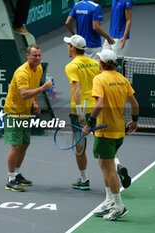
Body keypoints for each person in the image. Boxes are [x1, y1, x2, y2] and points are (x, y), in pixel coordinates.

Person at [82, 49, 139, 221]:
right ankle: (109, 201)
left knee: (109, 169)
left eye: (98, 59)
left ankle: (119, 206)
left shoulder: (99, 79)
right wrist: (134, 121)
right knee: (103, 163)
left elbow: (99, 103)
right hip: (119, 129)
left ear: (101, 62)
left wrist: (89, 124)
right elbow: (134, 103)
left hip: (105, 131)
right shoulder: (122, 79)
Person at [3, 44, 52, 192]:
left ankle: (17, 174)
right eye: (34, 56)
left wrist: (35, 102)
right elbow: (24, 94)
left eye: (39, 55)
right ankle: (10, 179)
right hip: (13, 112)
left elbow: (33, 87)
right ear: (27, 56)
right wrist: (43, 89)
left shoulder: (39, 69)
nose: (37, 58)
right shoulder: (22, 73)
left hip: (25, 111)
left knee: (24, 144)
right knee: (16, 145)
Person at [63, 35, 100, 190]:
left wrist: (79, 113)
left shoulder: (71, 66)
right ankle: (117, 167)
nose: (67, 47)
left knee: (80, 146)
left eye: (68, 45)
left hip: (81, 111)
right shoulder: (95, 63)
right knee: (105, 142)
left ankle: (84, 180)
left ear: (72, 47)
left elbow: (76, 88)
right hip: (98, 108)